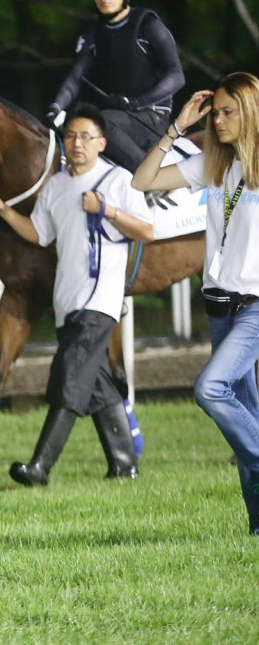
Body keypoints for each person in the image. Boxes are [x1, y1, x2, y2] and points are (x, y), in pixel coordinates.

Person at [0, 107, 154, 486]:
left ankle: (40, 467)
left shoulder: (118, 179)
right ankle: (124, 464)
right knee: (98, 385)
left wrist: (106, 209)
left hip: (101, 301)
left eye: (86, 137)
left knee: (69, 378)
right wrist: (3, 211)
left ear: (101, 143)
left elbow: (147, 230)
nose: (77, 144)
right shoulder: (57, 186)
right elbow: (39, 234)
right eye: (71, 137)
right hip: (68, 302)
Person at [132, 72, 259, 535]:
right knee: (245, 423)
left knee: (210, 389)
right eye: (216, 112)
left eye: (228, 112)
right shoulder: (212, 163)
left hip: (255, 308)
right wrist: (178, 127)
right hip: (219, 307)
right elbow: (143, 180)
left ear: (250, 112)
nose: (219, 120)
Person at [48, 0, 184, 173]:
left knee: (100, 124)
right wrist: (56, 107)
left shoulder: (148, 25)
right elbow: (75, 79)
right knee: (76, 126)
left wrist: (135, 102)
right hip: (116, 115)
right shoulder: (92, 34)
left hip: (150, 116)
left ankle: (152, 179)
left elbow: (177, 75)